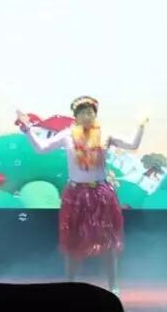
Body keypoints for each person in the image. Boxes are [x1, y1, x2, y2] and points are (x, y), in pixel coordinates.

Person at [16, 97, 144, 295]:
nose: (88, 116)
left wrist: (141, 125)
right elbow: (41, 149)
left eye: (91, 112)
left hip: (101, 195)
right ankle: (70, 283)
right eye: (83, 112)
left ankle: (113, 286)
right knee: (72, 242)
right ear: (76, 116)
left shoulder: (105, 134)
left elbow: (132, 145)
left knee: (107, 242)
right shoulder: (67, 135)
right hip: (75, 195)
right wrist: (27, 129)